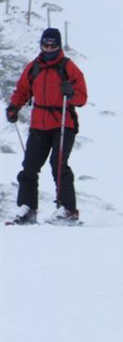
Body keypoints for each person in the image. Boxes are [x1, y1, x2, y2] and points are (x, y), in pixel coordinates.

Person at [5, 28, 87, 225]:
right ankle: (27, 209)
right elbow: (23, 89)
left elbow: (82, 97)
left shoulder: (68, 67)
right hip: (38, 124)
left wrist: (71, 94)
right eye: (45, 45)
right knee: (29, 167)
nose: (48, 49)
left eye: (53, 45)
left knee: (58, 165)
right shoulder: (34, 67)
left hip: (62, 123)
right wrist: (14, 107)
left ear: (59, 46)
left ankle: (67, 210)